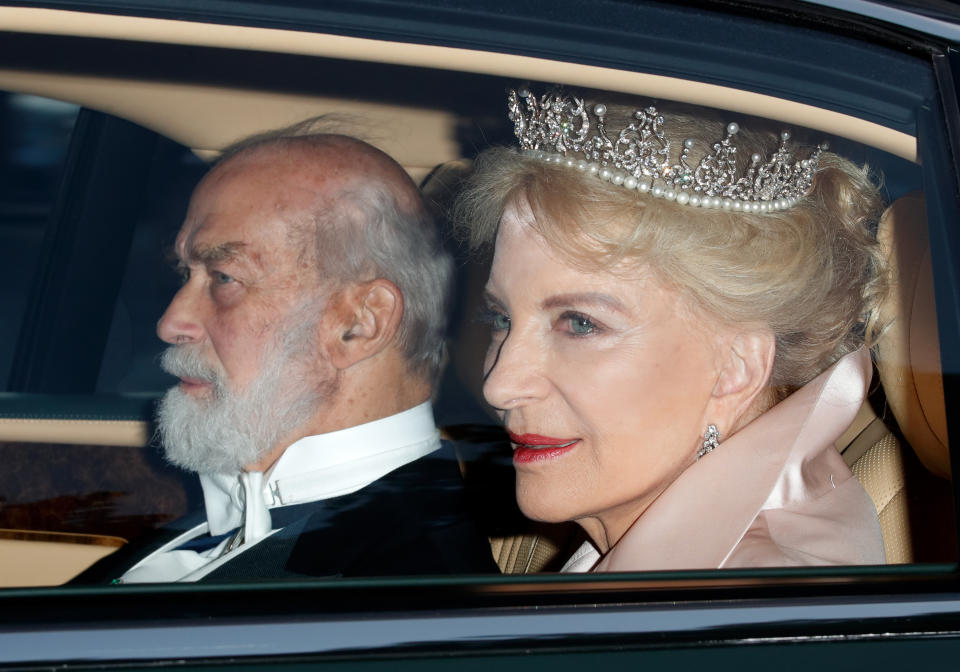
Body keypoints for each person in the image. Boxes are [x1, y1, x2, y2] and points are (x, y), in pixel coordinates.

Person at [454, 86, 888, 571]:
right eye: (501, 318)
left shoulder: (750, 611)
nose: (500, 385)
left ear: (734, 368)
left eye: (579, 324)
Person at [77, 124, 499, 583]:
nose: (171, 323)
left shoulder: (404, 593)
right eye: (186, 274)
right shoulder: (223, 521)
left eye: (223, 278)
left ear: (359, 323)